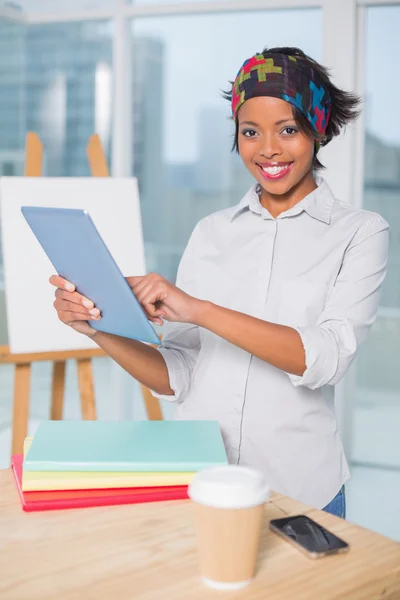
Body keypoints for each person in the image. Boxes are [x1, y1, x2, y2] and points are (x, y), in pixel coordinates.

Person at [50, 47, 389, 518]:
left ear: (318, 130)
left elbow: (327, 359)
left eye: (288, 130)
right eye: (250, 132)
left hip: (303, 491)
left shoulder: (360, 232)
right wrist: (97, 329)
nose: (268, 149)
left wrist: (198, 309)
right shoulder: (211, 231)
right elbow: (179, 376)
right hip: (204, 484)